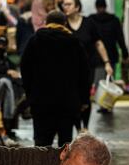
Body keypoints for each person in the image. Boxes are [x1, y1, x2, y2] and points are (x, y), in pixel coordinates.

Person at [20, 10, 90, 147]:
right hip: (67, 103)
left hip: (41, 102)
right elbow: (84, 73)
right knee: (64, 144)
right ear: (65, 24)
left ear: (46, 23)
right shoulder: (74, 42)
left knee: (41, 144)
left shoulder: (35, 40)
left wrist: (30, 95)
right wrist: (84, 99)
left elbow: (25, 69)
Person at [61, 0, 113, 129]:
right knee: (73, 99)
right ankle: (78, 127)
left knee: (85, 98)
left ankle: (85, 127)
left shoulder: (89, 23)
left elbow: (98, 44)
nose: (65, 7)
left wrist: (107, 62)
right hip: (68, 69)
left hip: (87, 68)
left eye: (68, 4)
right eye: (64, 4)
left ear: (77, 7)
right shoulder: (62, 24)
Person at [90, 0, 129, 79]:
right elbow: (120, 38)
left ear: (96, 7)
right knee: (110, 79)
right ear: (106, 6)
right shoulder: (114, 20)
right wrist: (125, 53)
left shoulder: (91, 20)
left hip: (96, 55)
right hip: (111, 54)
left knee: (98, 81)